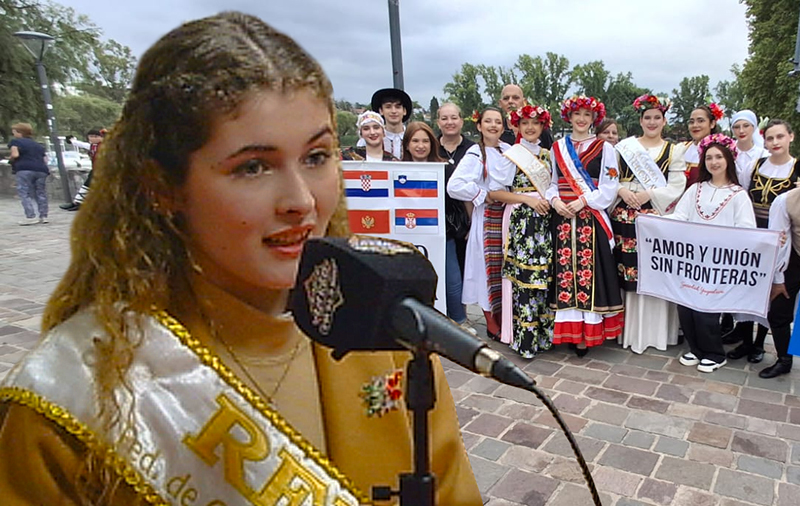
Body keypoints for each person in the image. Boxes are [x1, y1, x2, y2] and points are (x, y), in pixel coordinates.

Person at [0, 12, 480, 505]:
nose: (302, 201)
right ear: (163, 186)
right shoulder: (69, 403)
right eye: (253, 166)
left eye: (316, 157)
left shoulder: (386, 326)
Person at [670, 134, 756, 373]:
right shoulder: (696, 189)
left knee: (707, 309)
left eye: (719, 156)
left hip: (718, 262)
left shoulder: (738, 194)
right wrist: (652, 222)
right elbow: (680, 217)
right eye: (709, 157)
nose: (714, 162)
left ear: (728, 159)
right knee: (685, 306)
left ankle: (715, 353)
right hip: (691, 260)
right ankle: (696, 349)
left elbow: (746, 229)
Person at [545, 95, 623, 357]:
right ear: (569, 117)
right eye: (577, 114)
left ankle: (585, 335)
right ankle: (567, 330)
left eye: (587, 115)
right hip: (563, 218)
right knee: (564, 273)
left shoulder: (606, 149)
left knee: (589, 275)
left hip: (590, 217)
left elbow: (610, 186)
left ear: (593, 119)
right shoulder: (557, 148)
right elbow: (552, 182)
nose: (581, 119)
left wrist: (583, 201)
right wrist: (555, 200)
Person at [611, 95, 687, 354]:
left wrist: (649, 195)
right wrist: (621, 191)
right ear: (640, 120)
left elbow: (677, 185)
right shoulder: (624, 147)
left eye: (657, 117)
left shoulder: (674, 151)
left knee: (654, 271)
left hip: (655, 215)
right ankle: (627, 330)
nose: (652, 122)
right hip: (624, 215)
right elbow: (610, 178)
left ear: (664, 120)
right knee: (627, 272)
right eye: (647, 118)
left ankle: (654, 332)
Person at [727, 119, 800, 363]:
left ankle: (760, 343)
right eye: (770, 138)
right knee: (747, 288)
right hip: (754, 233)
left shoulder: (797, 169)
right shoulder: (755, 166)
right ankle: (746, 342)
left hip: (783, 238)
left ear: (791, 137)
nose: (775, 142)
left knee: (774, 292)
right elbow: (743, 195)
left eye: (780, 136)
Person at [488, 104, 554, 358]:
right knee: (525, 280)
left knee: (543, 279)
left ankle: (543, 337)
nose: (529, 128)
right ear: (517, 126)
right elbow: (495, 193)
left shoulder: (548, 155)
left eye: (535, 124)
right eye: (524, 123)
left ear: (542, 127)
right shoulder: (512, 155)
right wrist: (527, 200)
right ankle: (524, 340)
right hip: (522, 221)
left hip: (544, 220)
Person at [447, 107, 514, 340]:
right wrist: (482, 195)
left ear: (504, 127)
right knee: (488, 270)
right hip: (486, 218)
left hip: (508, 215)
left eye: (498, 122)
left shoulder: (509, 150)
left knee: (505, 268)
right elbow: (454, 186)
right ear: (479, 126)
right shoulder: (476, 153)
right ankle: (490, 321)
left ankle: (505, 317)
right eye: (488, 121)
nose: (493, 126)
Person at [437, 103, 475, 330]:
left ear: (462, 120)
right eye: (444, 118)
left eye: (454, 117)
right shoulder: (431, 146)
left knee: (462, 268)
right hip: (437, 220)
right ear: (438, 121)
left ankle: (462, 315)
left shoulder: (472, 149)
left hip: (465, 219)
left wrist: (472, 222)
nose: (449, 122)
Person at [760, 186, 800, 378]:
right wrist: (778, 279)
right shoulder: (785, 201)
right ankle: (784, 360)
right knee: (778, 311)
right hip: (795, 260)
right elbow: (778, 238)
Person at [7, 122, 49, 225]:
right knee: (40, 192)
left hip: (24, 169)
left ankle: (30, 216)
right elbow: (45, 159)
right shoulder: (38, 145)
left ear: (19, 132)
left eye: (14, 132)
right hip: (41, 170)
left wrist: (10, 158)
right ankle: (43, 216)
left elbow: (15, 155)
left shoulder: (15, 142)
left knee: (25, 192)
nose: (13, 134)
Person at [355, 88, 412, 160]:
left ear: (404, 111)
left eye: (398, 107)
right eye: (388, 107)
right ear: (381, 111)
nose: (393, 111)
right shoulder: (370, 139)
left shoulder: (411, 137)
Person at [60, 128, 106, 211]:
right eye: (90, 137)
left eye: (94, 136)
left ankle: (80, 202)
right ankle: (78, 202)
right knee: (87, 185)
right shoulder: (92, 146)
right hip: (96, 169)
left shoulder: (105, 146)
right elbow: (81, 144)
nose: (92, 139)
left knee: (90, 186)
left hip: (104, 170)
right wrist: (72, 140)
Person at [684, 104, 723, 189]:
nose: (695, 125)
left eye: (700, 121)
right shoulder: (682, 148)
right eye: (691, 122)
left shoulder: (720, 150)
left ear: (712, 124)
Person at [732, 109, 768, 186]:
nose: (741, 131)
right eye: (737, 127)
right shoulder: (727, 152)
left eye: (746, 126)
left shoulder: (763, 155)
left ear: (753, 127)